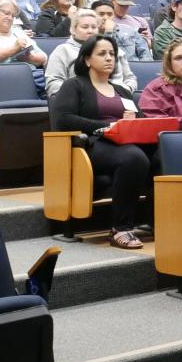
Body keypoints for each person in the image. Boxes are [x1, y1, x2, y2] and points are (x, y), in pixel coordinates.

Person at [48, 34, 151, 249]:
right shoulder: (74, 85)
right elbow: (63, 119)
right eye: (102, 53)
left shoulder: (121, 90)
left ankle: (158, 219)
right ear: (87, 59)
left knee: (163, 154)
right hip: (92, 145)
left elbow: (139, 118)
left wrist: (133, 123)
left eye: (112, 54)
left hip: (125, 141)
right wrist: (104, 127)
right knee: (133, 158)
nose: (109, 58)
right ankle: (120, 228)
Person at [45, 8, 136, 97]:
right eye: (85, 27)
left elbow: (130, 78)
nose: (90, 31)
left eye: (94, 27)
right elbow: (53, 84)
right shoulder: (63, 51)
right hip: (80, 102)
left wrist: (124, 92)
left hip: (118, 97)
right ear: (73, 30)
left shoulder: (113, 50)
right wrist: (83, 95)